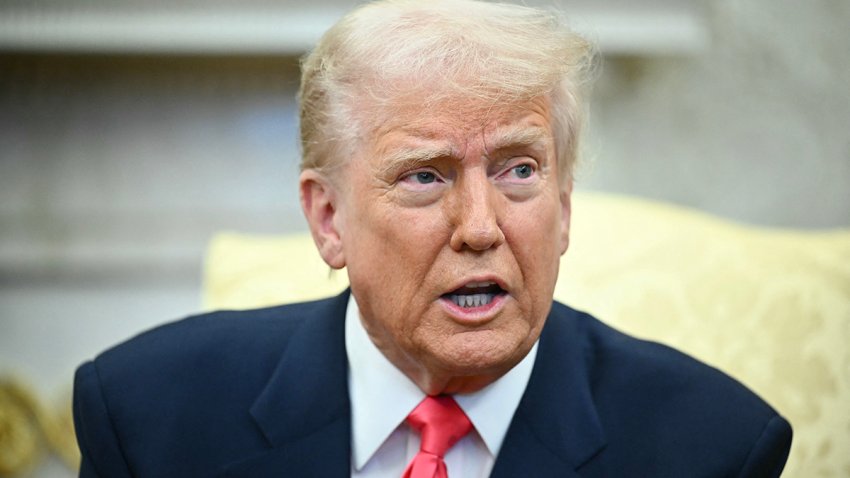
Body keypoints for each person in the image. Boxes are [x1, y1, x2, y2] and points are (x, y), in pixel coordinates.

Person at [72, 0, 793, 476]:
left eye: (519, 170)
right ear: (328, 220)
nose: (481, 228)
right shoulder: (147, 417)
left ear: (565, 207)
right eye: (424, 176)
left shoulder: (715, 450)